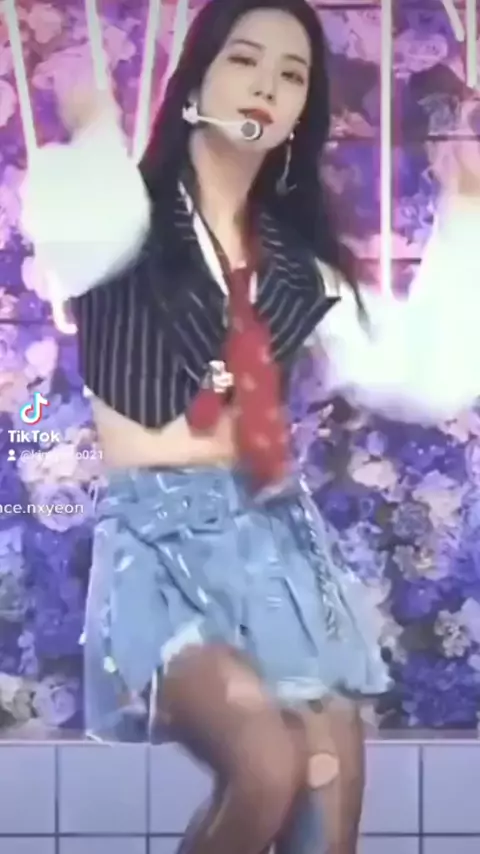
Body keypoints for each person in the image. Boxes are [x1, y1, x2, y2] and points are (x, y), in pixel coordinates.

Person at [20, 0, 480, 852]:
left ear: (302, 111)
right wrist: (92, 134)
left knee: (330, 775)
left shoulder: (301, 265)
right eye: (244, 60)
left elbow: (423, 371)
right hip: (160, 544)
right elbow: (73, 232)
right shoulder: (128, 214)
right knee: (265, 762)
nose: (266, 84)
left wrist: (467, 209)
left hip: (276, 542)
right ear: (196, 81)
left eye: (291, 74)